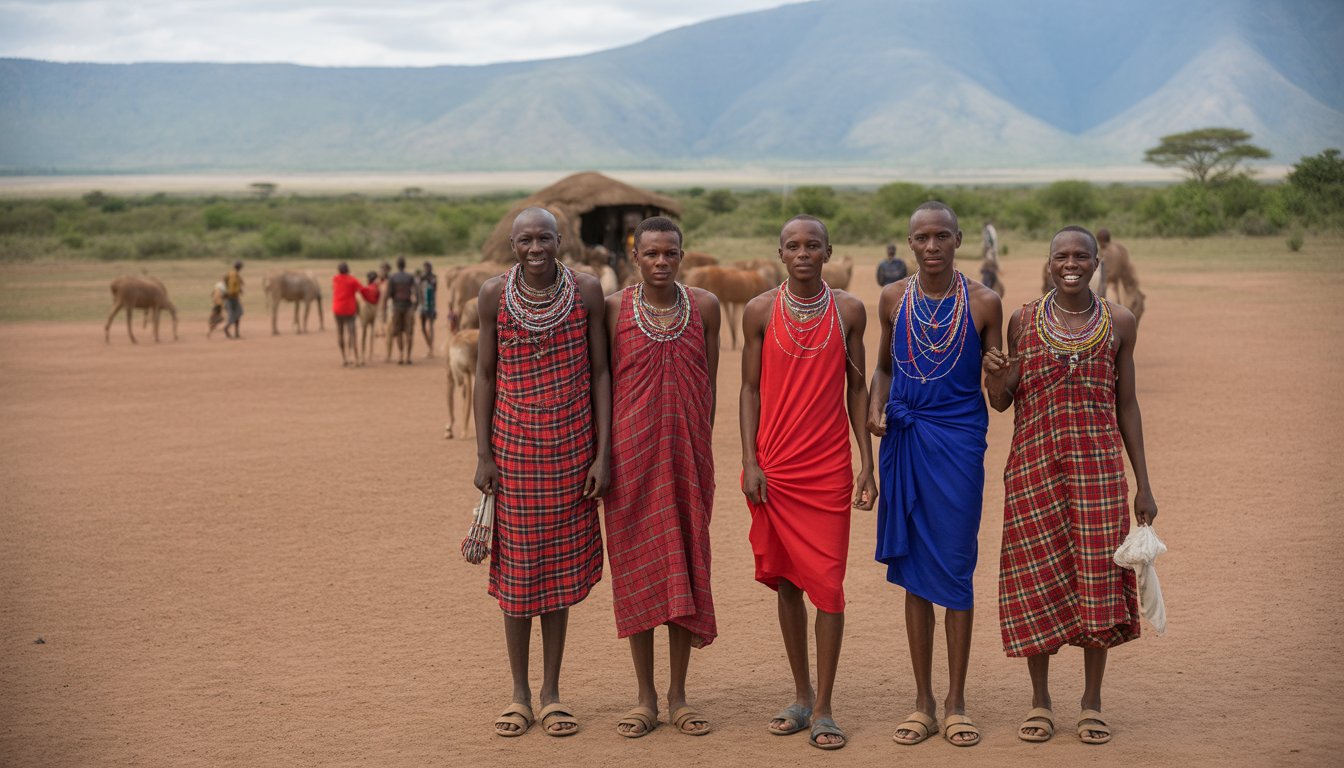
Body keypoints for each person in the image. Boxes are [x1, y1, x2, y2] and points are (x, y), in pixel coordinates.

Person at [983, 226, 1155, 746]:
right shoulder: (1023, 320)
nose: (1072, 264)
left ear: (1099, 262)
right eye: (1062, 256)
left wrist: (1142, 484)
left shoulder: (1118, 321)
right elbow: (1000, 401)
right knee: (1036, 579)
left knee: (1096, 583)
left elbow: (1127, 403)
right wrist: (995, 373)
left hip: (1099, 473)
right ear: (1049, 262)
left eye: (1082, 256)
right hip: (1034, 471)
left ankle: (1091, 701)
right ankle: (1040, 701)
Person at [867, 202, 1003, 748]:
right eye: (921, 237)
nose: (931, 246)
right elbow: (881, 367)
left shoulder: (986, 303)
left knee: (955, 565)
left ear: (958, 240)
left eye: (941, 236)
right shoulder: (893, 298)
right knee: (917, 572)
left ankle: (957, 701)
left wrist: (1004, 374)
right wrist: (876, 408)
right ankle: (923, 702)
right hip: (905, 441)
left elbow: (999, 399)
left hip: (959, 447)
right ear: (909, 241)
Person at [740, 214, 876, 751]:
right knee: (789, 581)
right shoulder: (758, 311)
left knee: (829, 585)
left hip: (826, 468)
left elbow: (859, 391)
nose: (803, 253)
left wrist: (868, 461)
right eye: (793, 246)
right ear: (780, 253)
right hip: (775, 464)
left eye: (812, 245)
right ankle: (800, 694)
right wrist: (750, 461)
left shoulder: (849, 311)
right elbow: (748, 390)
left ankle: (825, 707)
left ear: (828, 251)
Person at [474, 206, 611, 738]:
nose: (537, 248)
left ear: (561, 241)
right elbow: (485, 375)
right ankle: (519, 694)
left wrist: (601, 453)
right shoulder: (492, 294)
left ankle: (552, 693)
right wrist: (483, 453)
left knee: (556, 574)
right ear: (513, 245)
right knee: (517, 574)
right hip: (513, 450)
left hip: (573, 450)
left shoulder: (586, 290)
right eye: (526, 240)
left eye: (546, 239)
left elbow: (600, 371)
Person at [602, 216, 721, 739]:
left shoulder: (706, 307)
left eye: (670, 253)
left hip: (688, 456)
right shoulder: (613, 310)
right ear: (635, 257)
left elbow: (710, 383)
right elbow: (601, 380)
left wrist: (697, 440)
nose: (660, 262)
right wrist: (605, 456)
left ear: (682, 254)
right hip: (631, 457)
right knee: (639, 568)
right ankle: (645, 697)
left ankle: (679, 696)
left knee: (686, 568)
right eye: (651, 254)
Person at [384, 257, 418, 364]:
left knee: (398, 332)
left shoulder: (393, 277)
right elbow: (417, 292)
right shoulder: (410, 277)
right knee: (409, 333)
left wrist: (384, 308)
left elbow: (388, 294)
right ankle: (408, 357)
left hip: (396, 307)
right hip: (408, 306)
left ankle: (401, 355)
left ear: (397, 265)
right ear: (405, 265)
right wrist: (415, 305)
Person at [330, 262, 364, 366]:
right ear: (348, 270)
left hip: (337, 309)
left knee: (340, 333)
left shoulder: (335, 279)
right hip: (349, 310)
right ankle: (356, 357)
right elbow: (361, 289)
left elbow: (333, 287)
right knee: (352, 333)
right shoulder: (352, 280)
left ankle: (344, 358)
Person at [419, 261, 438, 357]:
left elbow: (434, 289)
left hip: (430, 305)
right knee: (423, 327)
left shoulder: (433, 278)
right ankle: (429, 345)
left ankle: (431, 348)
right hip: (423, 305)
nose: (426, 269)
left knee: (430, 326)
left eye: (427, 267)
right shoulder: (422, 278)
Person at [223, 260, 244, 339]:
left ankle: (236, 333)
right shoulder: (234, 275)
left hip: (232, 297)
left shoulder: (232, 273)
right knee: (235, 314)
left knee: (237, 314)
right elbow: (232, 286)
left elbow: (225, 281)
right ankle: (226, 328)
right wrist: (234, 292)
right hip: (232, 298)